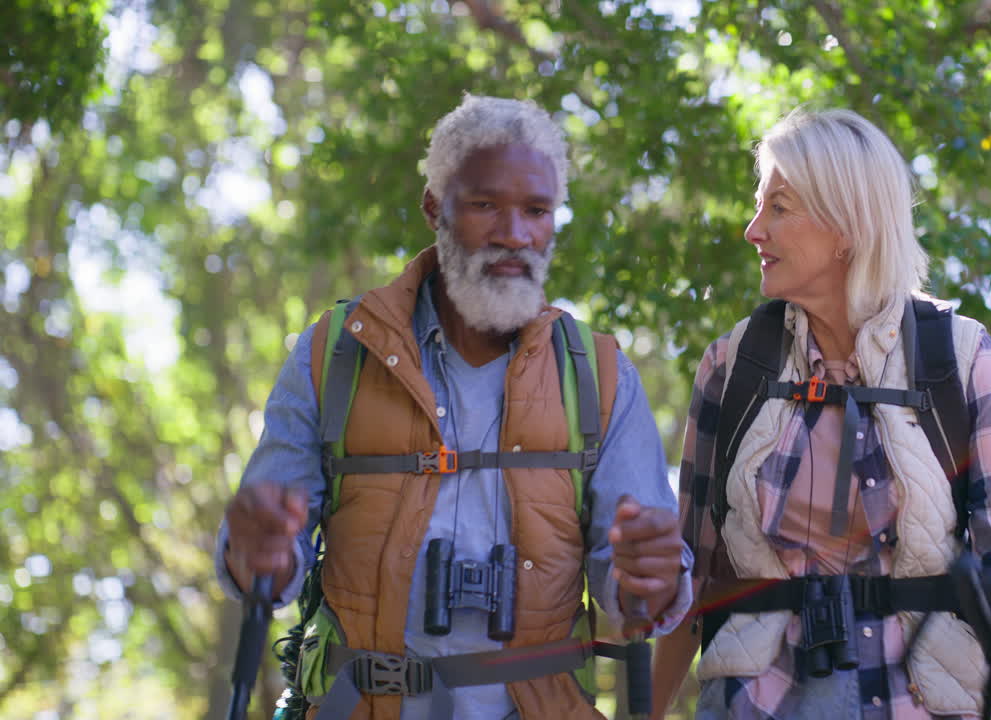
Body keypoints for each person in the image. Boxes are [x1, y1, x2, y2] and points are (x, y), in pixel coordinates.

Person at [217, 94, 692, 720]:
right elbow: (264, 560)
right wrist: (258, 554)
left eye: (537, 210)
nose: (515, 234)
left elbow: (635, 589)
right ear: (434, 208)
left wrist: (652, 582)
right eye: (485, 204)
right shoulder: (335, 355)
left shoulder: (600, 376)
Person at [652, 108, 991, 720]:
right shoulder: (734, 365)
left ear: (846, 225)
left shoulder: (960, 356)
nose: (753, 230)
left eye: (779, 208)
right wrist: (646, 712)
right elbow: (692, 567)